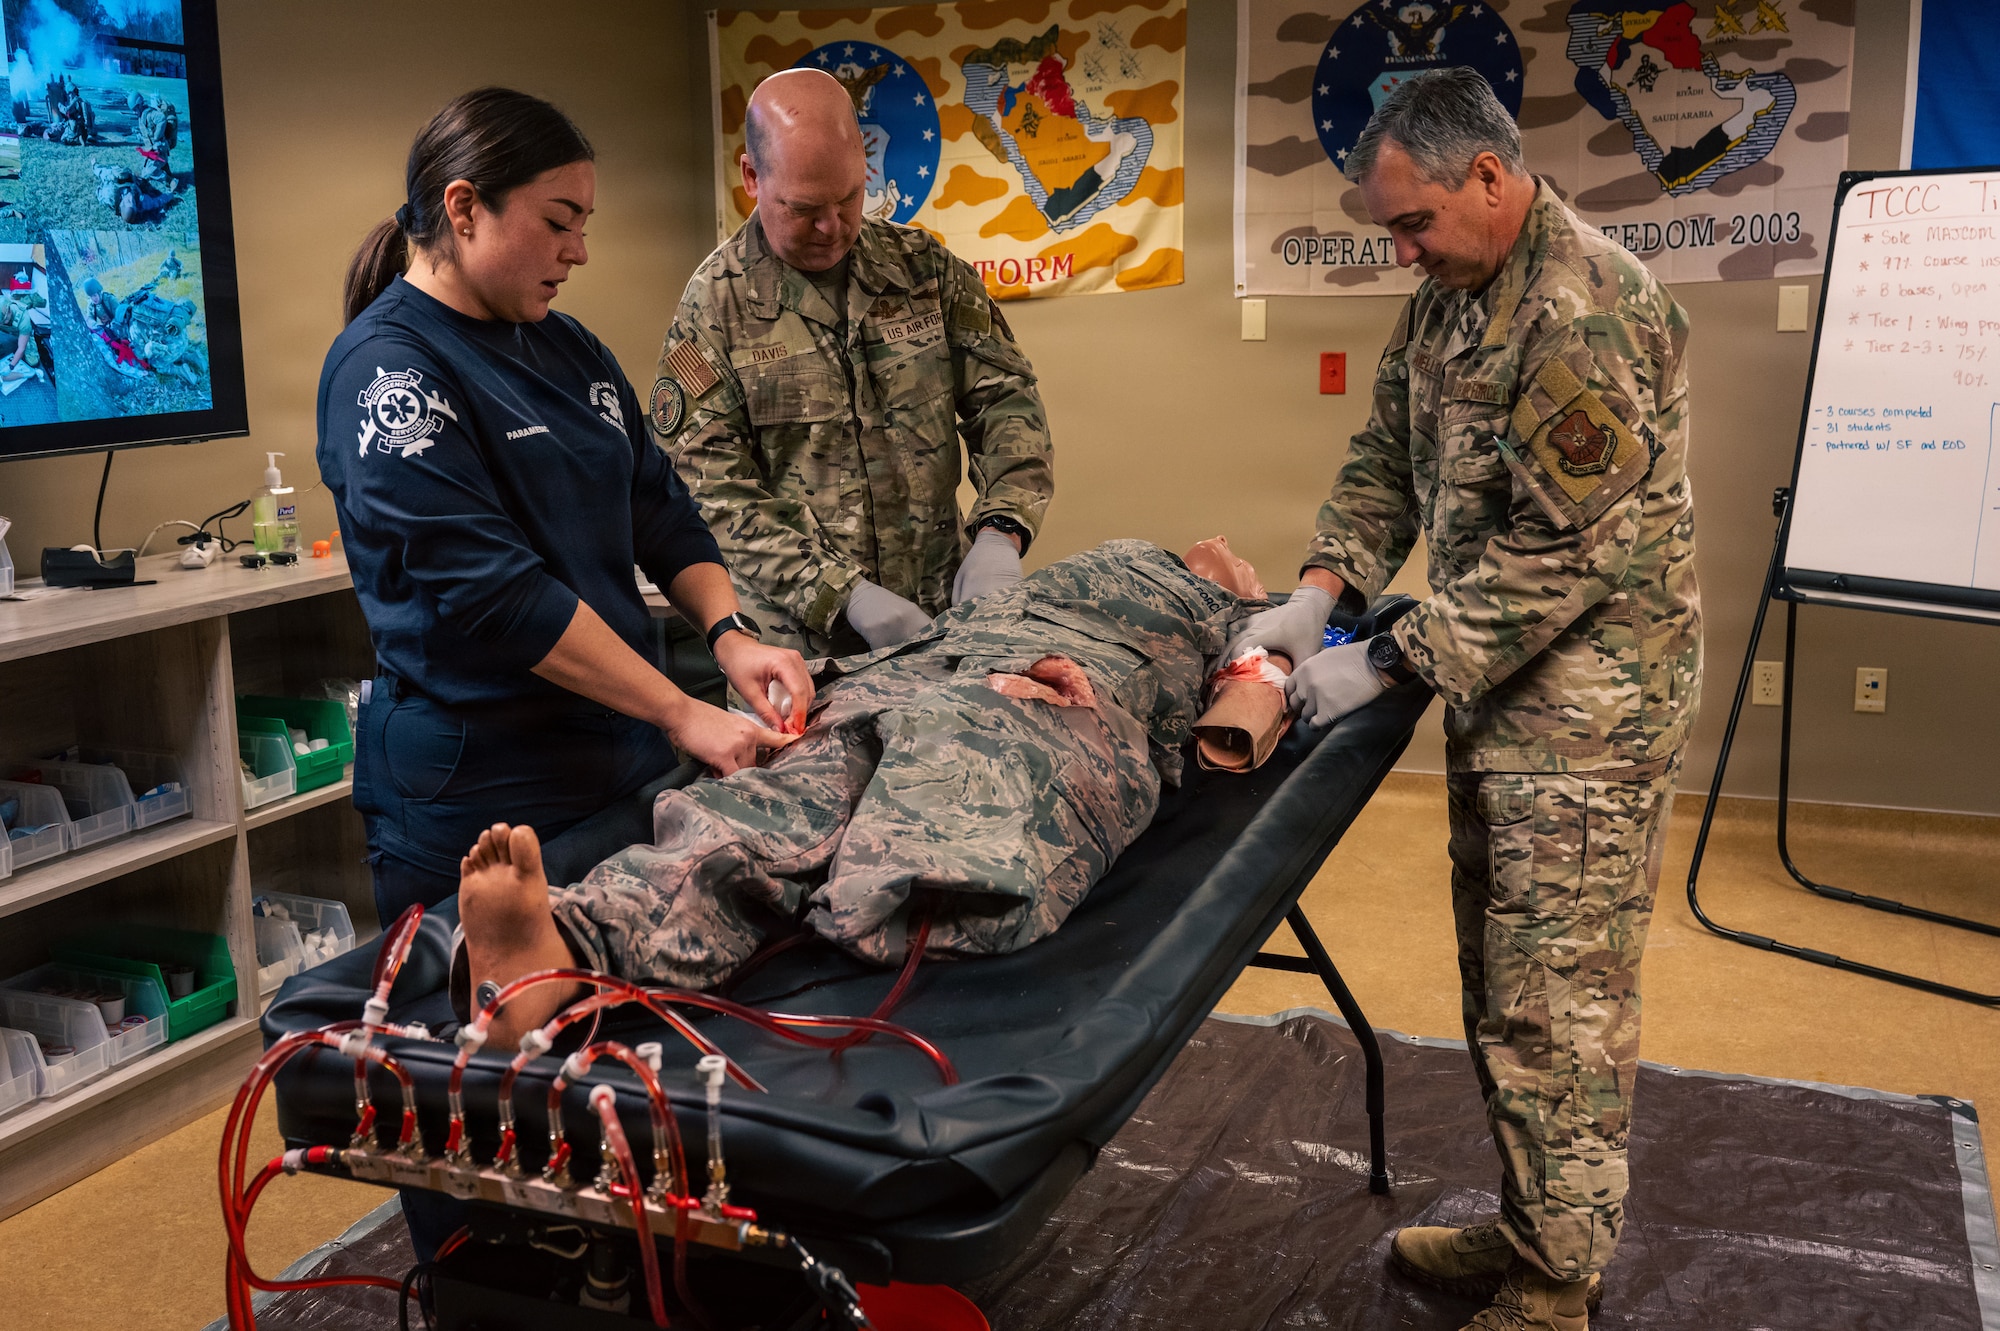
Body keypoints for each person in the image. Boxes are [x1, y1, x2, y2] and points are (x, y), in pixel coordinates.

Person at [1223, 69, 1700, 1331]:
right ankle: (1528, 1216)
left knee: (1558, 1003)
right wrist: (1319, 588)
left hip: (1586, 719)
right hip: (1503, 701)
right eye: (1389, 228)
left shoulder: (1581, 308)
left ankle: (1555, 1281)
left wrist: (1384, 657)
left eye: (1413, 223)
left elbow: (1570, 553)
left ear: (1487, 175)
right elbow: (1385, 452)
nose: (1400, 248)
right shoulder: (1452, 295)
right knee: (1501, 982)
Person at [449, 537, 1284, 1045]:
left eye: (1226, 555)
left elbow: (1239, 719)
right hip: (924, 667)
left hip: (1066, 701)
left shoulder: (1234, 619)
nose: (1215, 545)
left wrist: (1259, 647)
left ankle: (872, 889)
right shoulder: (1083, 570)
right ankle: (559, 956)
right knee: (772, 793)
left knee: (971, 777)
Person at [317, 87, 814, 929]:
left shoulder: (567, 345)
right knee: (507, 1038)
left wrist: (730, 636)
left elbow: (657, 507)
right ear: (465, 208)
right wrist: (681, 709)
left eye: (586, 222)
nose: (579, 250)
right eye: (558, 221)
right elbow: (498, 596)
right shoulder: (388, 373)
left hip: (616, 765)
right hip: (482, 797)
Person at [653, 67, 1053, 663]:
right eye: (805, 208)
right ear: (751, 176)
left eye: (849, 198)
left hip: (944, 621)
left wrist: (1002, 528)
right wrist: (846, 595)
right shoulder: (715, 305)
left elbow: (1006, 401)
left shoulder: (926, 272)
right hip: (799, 651)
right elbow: (712, 491)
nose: (832, 226)